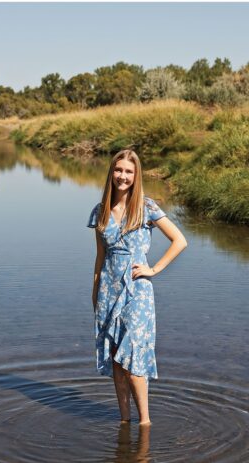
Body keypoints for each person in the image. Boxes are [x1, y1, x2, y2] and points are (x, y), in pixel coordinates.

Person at [88, 148, 187, 425]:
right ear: (112, 172)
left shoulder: (147, 207)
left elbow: (180, 240)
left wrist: (153, 269)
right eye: (118, 170)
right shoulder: (101, 211)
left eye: (128, 172)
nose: (123, 176)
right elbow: (100, 258)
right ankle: (124, 421)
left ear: (136, 175)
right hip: (108, 291)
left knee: (133, 360)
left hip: (137, 291)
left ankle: (145, 423)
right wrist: (95, 294)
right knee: (117, 362)